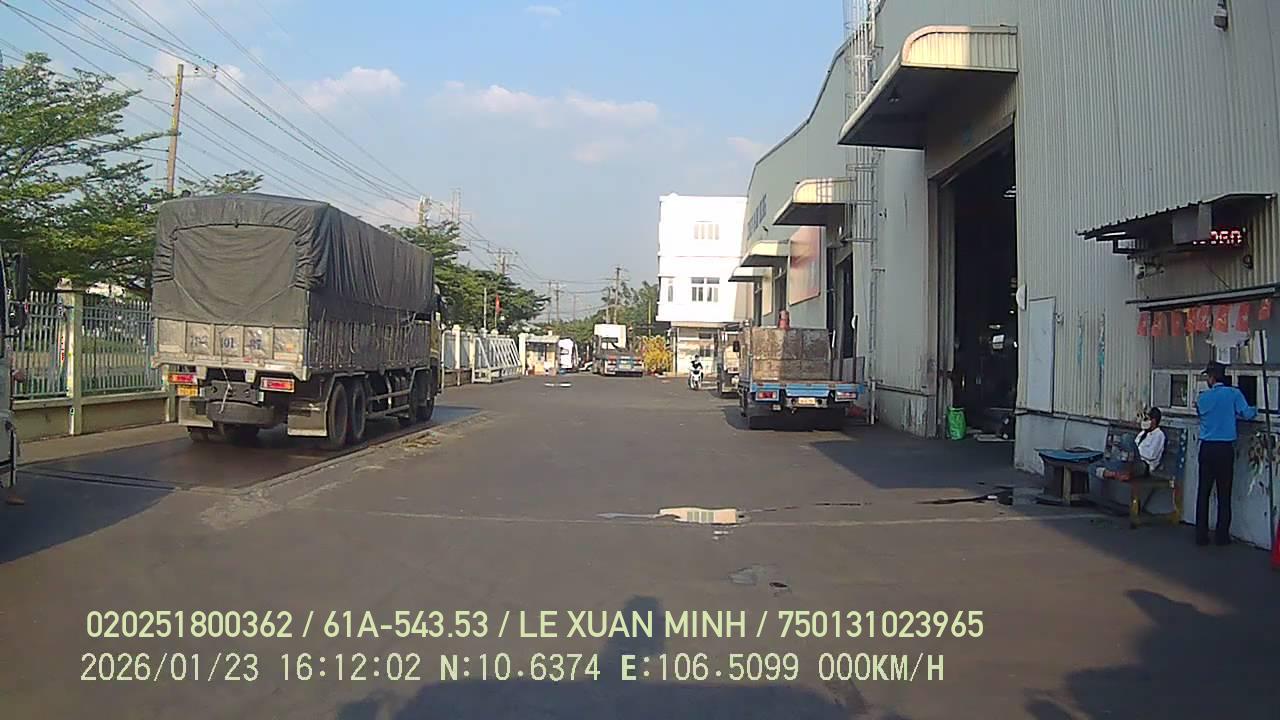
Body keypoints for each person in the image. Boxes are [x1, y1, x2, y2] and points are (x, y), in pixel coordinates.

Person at [1195, 361, 1257, 546]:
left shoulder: (1202, 398)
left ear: (1212, 378)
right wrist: (1256, 408)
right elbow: (1248, 414)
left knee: (1203, 492)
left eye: (1208, 377)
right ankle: (1222, 536)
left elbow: (1200, 413)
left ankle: (1201, 535)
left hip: (1207, 448)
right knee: (1224, 493)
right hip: (1224, 449)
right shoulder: (1234, 394)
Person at [1095, 407, 1166, 481]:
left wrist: (1135, 451)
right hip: (1131, 461)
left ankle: (1115, 473)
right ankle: (1115, 473)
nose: (1143, 421)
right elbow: (1133, 446)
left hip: (1144, 465)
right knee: (1103, 462)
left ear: (1153, 421)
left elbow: (1151, 455)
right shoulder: (1143, 433)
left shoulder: (1159, 435)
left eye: (1146, 419)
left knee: (1127, 438)